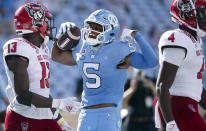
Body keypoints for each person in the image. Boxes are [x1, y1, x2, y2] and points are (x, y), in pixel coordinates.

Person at [51, 9, 158, 131]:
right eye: (90, 27)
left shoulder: (117, 50)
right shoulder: (86, 48)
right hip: (89, 114)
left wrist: (136, 35)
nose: (91, 31)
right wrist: (136, 36)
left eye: (97, 27)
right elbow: (56, 56)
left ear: (110, 31)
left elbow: (152, 62)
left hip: (104, 115)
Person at [2, 2, 82, 131]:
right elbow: (23, 96)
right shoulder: (18, 47)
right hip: (22, 118)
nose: (49, 26)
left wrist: (61, 122)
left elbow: (42, 93)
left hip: (44, 116)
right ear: (36, 24)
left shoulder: (42, 48)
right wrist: (59, 103)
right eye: (45, 21)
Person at [155, 0, 206, 131]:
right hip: (177, 105)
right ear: (188, 14)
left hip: (186, 104)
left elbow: (195, 85)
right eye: (203, 13)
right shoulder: (177, 38)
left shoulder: (194, 40)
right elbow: (162, 85)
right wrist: (170, 123)